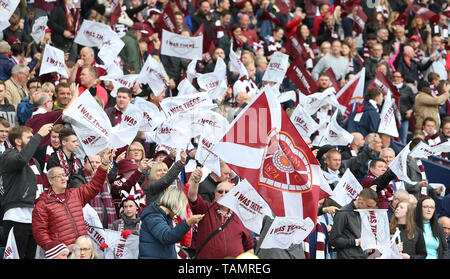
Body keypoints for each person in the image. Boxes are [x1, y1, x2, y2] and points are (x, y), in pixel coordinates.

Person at [31, 148, 114, 251]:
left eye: (64, 175)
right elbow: (40, 232)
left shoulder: (75, 194)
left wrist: (104, 165)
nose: (63, 178)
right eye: (59, 176)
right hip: (63, 254)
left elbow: (94, 185)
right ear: (50, 180)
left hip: (82, 251)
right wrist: (58, 249)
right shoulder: (42, 204)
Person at [0, 123, 53, 259]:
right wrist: (39, 134)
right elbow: (21, 159)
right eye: (29, 138)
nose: (34, 141)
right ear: (17, 141)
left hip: (34, 217)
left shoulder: (34, 161)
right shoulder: (8, 155)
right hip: (16, 216)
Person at [188, 167, 254, 259]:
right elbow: (192, 196)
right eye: (220, 191)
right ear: (215, 194)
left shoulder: (240, 216)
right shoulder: (205, 209)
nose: (223, 194)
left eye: (227, 192)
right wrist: (195, 181)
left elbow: (249, 247)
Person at [139, 187, 204, 259]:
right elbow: (167, 237)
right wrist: (187, 223)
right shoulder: (154, 217)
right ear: (176, 204)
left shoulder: (163, 217)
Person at [329, 188, 379, 259]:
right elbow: (333, 240)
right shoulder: (343, 213)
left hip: (363, 255)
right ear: (360, 200)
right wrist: (356, 241)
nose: (369, 210)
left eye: (372, 207)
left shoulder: (364, 212)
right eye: (368, 206)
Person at [84, 154, 117, 229]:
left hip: (107, 222)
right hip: (89, 224)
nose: (94, 165)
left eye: (97, 162)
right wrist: (94, 180)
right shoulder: (79, 178)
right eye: (91, 162)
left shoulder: (105, 178)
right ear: (85, 164)